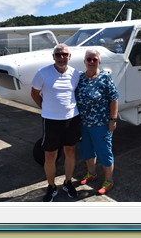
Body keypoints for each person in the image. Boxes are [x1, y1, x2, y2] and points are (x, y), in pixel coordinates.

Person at [31, 44, 81, 202]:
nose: (61, 57)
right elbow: (34, 93)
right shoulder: (43, 73)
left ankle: (67, 182)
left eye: (65, 54)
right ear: (53, 57)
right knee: (50, 155)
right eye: (58, 54)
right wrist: (45, 108)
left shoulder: (75, 74)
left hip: (72, 119)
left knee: (70, 152)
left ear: (69, 56)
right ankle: (51, 186)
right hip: (51, 121)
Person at [75, 49, 119, 195]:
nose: (92, 62)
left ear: (99, 61)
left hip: (101, 124)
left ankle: (109, 180)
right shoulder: (80, 78)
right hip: (83, 124)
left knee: (104, 152)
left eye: (95, 59)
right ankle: (92, 173)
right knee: (87, 151)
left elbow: (114, 99)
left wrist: (113, 119)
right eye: (89, 59)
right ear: (85, 62)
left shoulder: (105, 78)